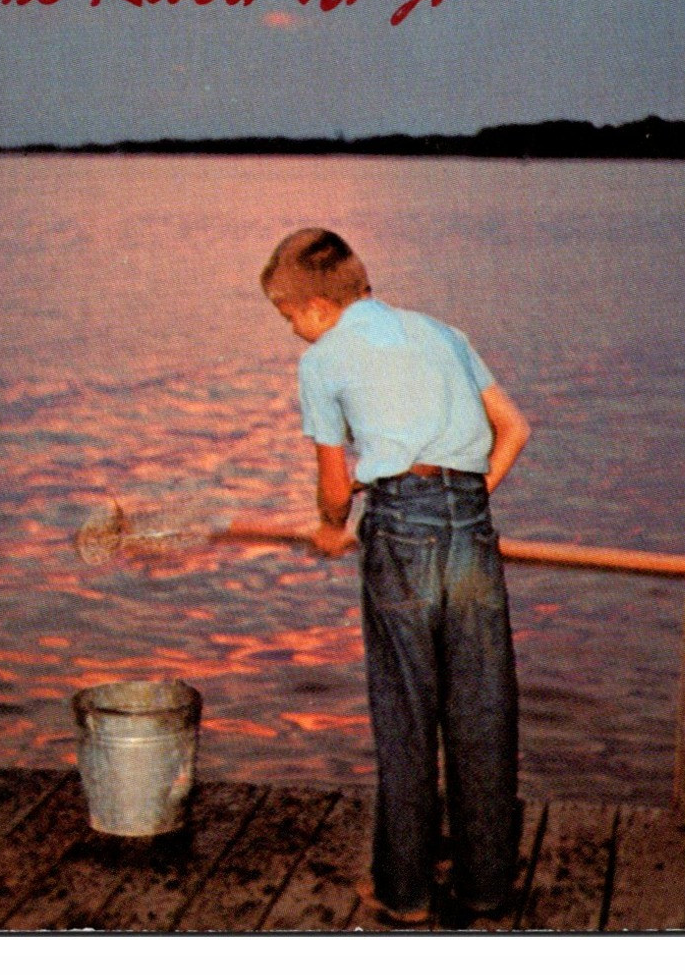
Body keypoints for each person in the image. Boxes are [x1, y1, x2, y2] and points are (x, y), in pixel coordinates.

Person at [261, 228, 531, 924]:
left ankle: (403, 890)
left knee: (405, 709)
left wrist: (329, 526)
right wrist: (467, 501)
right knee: (481, 707)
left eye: (288, 316)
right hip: (468, 520)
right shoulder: (443, 332)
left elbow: (331, 486)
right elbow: (514, 429)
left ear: (318, 306)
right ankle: (485, 888)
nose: (292, 330)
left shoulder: (323, 361)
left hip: (399, 527)